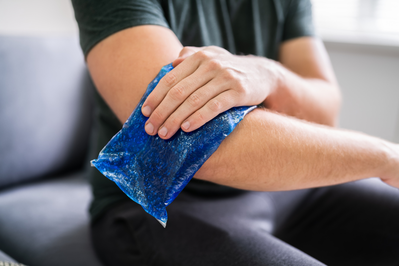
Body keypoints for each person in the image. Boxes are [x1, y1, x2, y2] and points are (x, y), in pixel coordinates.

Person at [72, 0, 399, 265]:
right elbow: (191, 145)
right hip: (164, 208)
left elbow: (326, 114)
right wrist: (385, 157)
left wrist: (271, 75)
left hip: (284, 185)